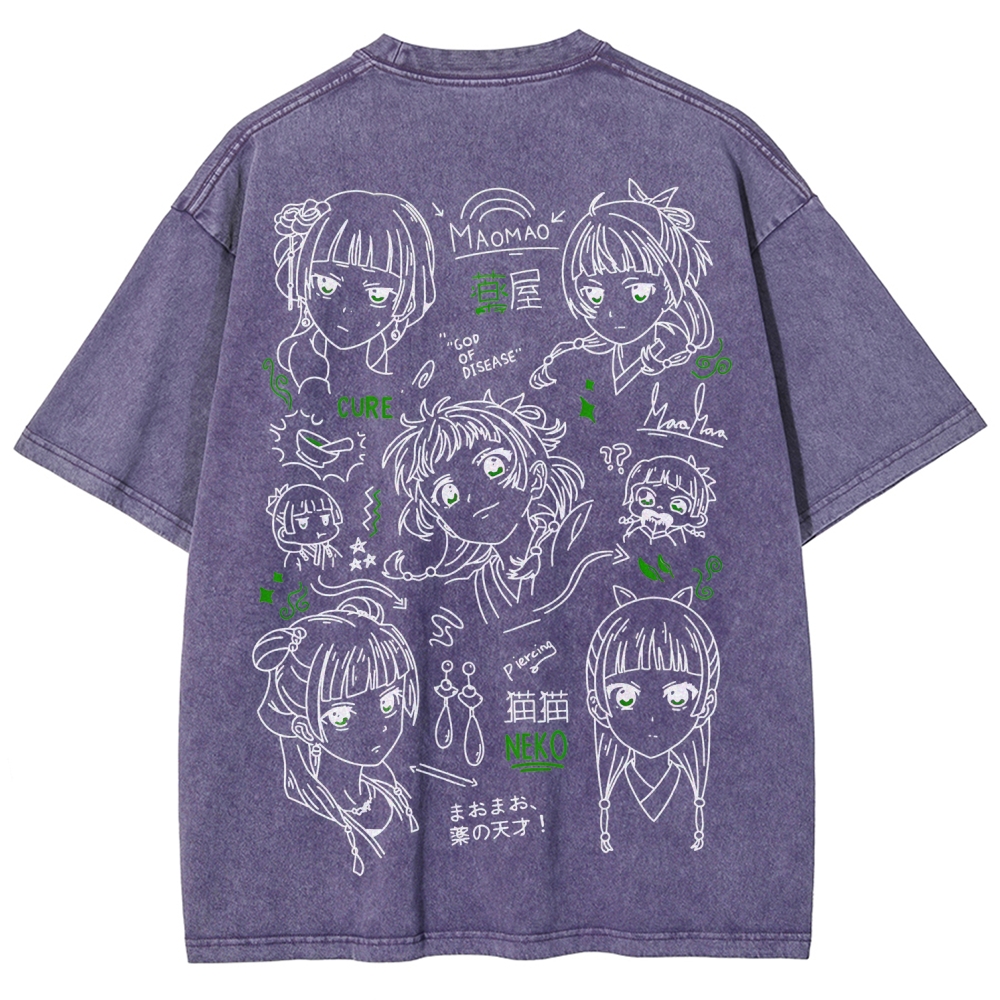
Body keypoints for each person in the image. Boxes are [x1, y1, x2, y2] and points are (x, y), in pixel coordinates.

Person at [381, 391, 586, 623]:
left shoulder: (572, 545)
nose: (474, 497)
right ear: (443, 523)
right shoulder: (476, 589)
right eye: (449, 494)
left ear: (536, 477)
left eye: (493, 466)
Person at [252, 597, 419, 876]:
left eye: (388, 702)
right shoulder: (305, 821)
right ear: (305, 729)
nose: (378, 726)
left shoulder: (392, 793)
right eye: (341, 716)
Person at [530, 179, 713, 395]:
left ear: (669, 286)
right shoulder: (586, 357)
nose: (612, 312)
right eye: (594, 294)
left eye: (639, 292)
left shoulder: (674, 352)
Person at [586, 590, 719, 853]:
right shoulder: (606, 792)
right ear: (598, 704)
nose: (652, 716)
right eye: (625, 697)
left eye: (678, 697)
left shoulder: (692, 790)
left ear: (706, 705)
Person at [273, 190, 436, 383]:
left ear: (409, 299)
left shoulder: (406, 376)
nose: (347, 310)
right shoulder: (299, 358)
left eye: (376, 295)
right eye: (326, 285)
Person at [619, 454, 716, 545]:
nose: (659, 508)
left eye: (676, 507)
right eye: (647, 500)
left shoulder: (680, 539)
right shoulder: (634, 531)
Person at [267, 482, 343, 571]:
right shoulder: (295, 558)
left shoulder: (330, 551)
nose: (318, 531)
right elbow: (283, 575)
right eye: (303, 524)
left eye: (325, 521)